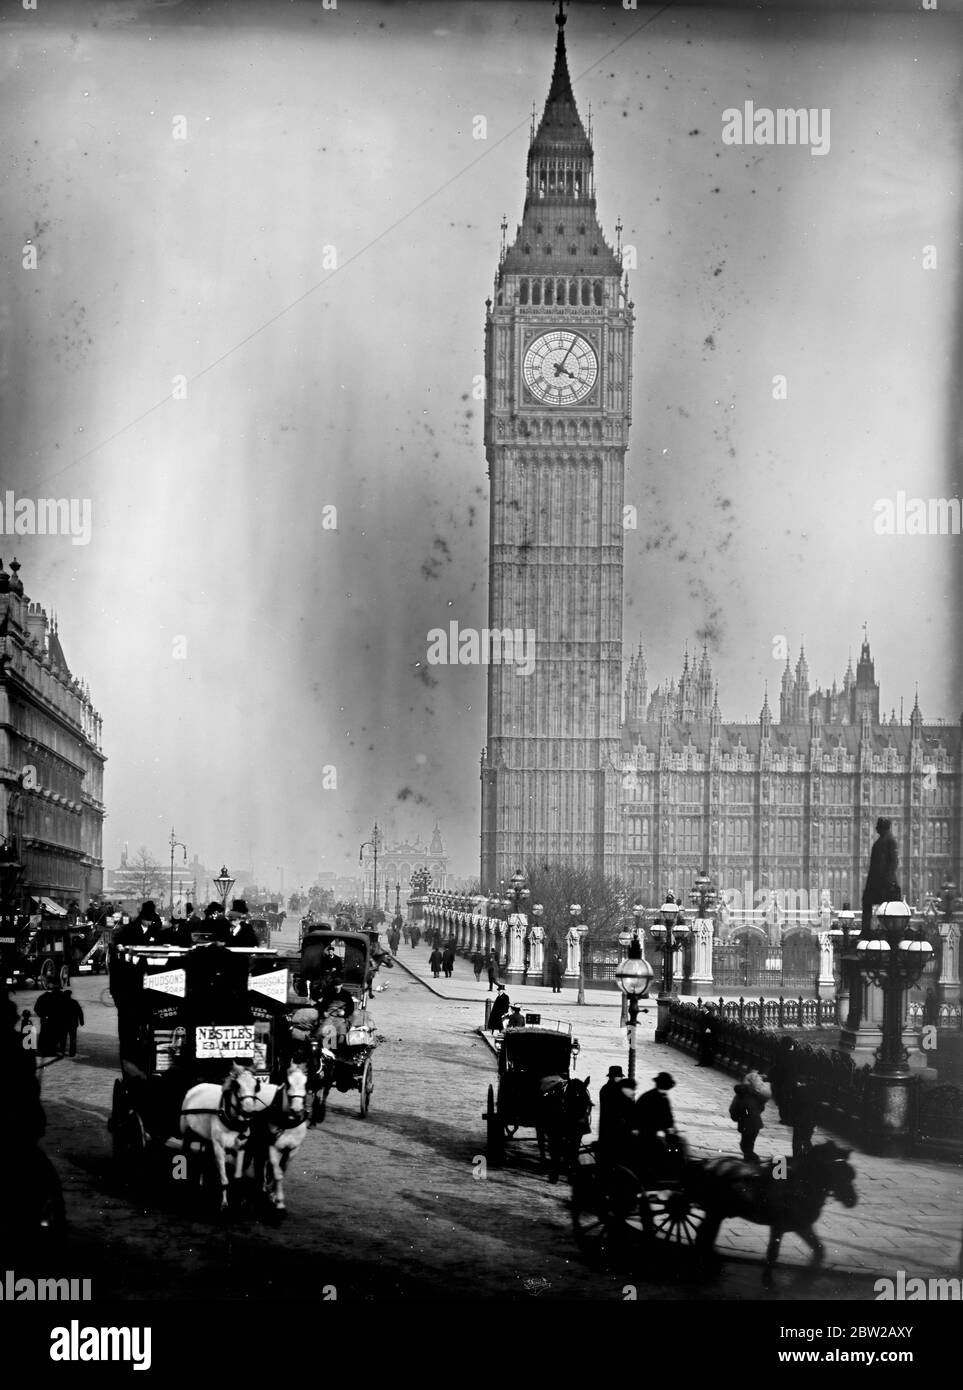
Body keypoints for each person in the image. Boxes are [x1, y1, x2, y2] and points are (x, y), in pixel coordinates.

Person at [634, 1072, 679, 1181]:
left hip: (659, 1131)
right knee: (658, 1147)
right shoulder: (649, 1097)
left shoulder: (663, 1097)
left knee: (676, 1143)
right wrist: (657, 1130)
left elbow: (668, 1116)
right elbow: (642, 1118)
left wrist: (671, 1127)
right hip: (647, 1133)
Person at [861, 816, 901, 935]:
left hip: (886, 885)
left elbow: (894, 862)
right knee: (866, 901)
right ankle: (866, 930)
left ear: (883, 828)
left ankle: (890, 931)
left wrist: (887, 880)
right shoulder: (878, 843)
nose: (876, 828)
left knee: (887, 909)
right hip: (876, 883)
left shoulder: (890, 841)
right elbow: (874, 867)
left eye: (878, 826)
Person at [597, 1065, 636, 1161]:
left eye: (619, 1076)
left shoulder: (608, 1088)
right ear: (613, 1077)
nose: (619, 1078)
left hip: (611, 1127)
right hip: (613, 1127)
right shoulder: (609, 1090)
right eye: (618, 1076)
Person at [729, 1081, 764, 1162]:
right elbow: (762, 1106)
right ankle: (748, 1160)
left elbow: (733, 1111)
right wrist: (757, 1113)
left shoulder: (738, 1098)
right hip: (757, 1124)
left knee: (744, 1145)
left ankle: (755, 1160)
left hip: (746, 1126)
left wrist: (737, 1118)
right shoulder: (754, 1095)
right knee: (749, 1144)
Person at [34, 987, 65, 1056]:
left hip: (45, 1020)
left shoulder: (42, 997)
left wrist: (42, 1015)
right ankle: (52, 1050)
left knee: (44, 1035)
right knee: (53, 1035)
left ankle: (42, 1049)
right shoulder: (55, 998)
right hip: (54, 1020)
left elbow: (36, 1008)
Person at [59, 988, 85, 1057]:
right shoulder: (74, 1002)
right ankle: (72, 1053)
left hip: (64, 1024)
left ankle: (62, 1051)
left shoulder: (61, 1003)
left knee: (63, 1038)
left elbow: (58, 1014)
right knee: (73, 1038)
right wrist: (81, 1021)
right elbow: (80, 1012)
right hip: (73, 1024)